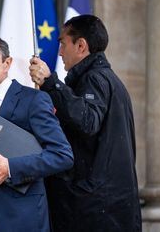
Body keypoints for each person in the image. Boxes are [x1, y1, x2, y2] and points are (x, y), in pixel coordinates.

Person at [29, 15, 142, 232]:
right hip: (106, 209)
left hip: (95, 211)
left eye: (63, 43)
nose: (60, 52)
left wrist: (50, 83)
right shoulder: (108, 79)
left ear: (81, 45)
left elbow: (87, 121)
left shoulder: (95, 79)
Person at [0, 33, 73, 232]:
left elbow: (62, 155)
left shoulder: (33, 100)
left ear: (7, 63)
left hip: (25, 220)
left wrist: (10, 168)